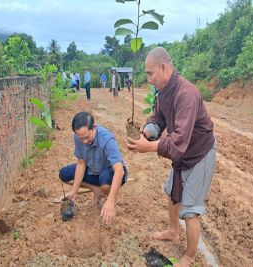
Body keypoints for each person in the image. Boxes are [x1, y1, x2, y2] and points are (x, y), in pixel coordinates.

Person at [127, 47, 217, 267]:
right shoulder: (164, 91)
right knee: (172, 192)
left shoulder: (187, 94)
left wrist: (147, 147)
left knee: (191, 209)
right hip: (183, 152)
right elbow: (158, 116)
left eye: (150, 74)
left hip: (199, 153)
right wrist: (150, 128)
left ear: (164, 68)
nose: (148, 79)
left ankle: (189, 256)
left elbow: (178, 141)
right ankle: (173, 231)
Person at [59, 112, 128, 224]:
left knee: (105, 181)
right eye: (81, 139)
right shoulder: (79, 137)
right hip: (93, 170)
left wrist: (110, 201)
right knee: (64, 174)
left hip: (110, 173)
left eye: (87, 137)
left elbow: (119, 170)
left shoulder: (107, 139)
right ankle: (96, 189)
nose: (84, 142)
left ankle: (108, 196)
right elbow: (81, 164)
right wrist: (74, 191)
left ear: (94, 127)